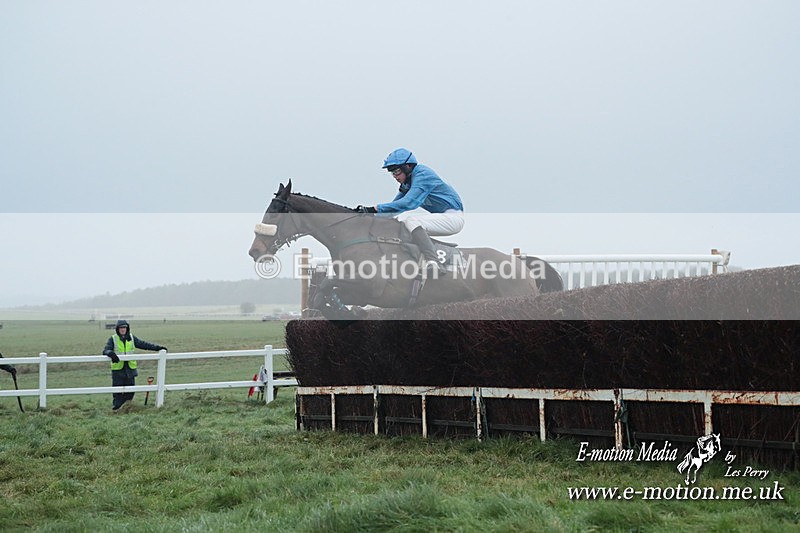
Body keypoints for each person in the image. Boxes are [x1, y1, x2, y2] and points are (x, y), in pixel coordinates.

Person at [357, 148, 465, 274]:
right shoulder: (407, 184)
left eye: (397, 171)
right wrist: (368, 218)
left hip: (453, 218)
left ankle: (433, 262)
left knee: (411, 221)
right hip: (444, 217)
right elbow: (393, 210)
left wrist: (373, 208)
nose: (395, 177)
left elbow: (409, 203)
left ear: (408, 167)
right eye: (392, 173)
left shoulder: (422, 174)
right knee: (401, 225)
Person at [102, 319, 166, 410]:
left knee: (130, 391)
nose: (123, 329)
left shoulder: (131, 338)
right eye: (121, 328)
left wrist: (158, 348)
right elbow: (105, 350)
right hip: (118, 370)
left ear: (127, 328)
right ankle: (117, 409)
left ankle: (126, 408)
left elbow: (144, 344)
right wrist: (110, 353)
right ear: (117, 329)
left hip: (130, 369)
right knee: (117, 392)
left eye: (124, 327)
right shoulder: (113, 339)